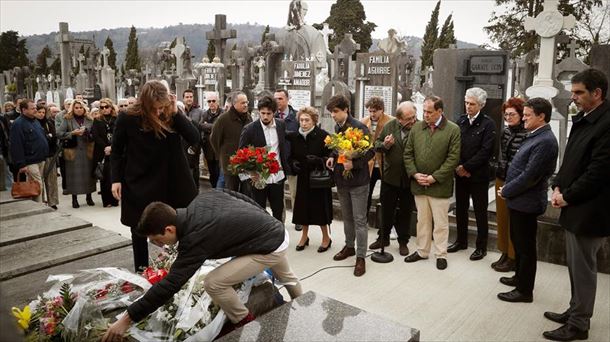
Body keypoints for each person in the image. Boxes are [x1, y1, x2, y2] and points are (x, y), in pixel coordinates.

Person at [102, 189, 303, 341]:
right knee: (287, 276)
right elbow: (239, 197)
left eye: (157, 240)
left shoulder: (194, 239)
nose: (158, 245)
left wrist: (127, 318)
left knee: (213, 283)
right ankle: (302, 304)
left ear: (169, 229)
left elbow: (171, 284)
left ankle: (245, 323)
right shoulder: (202, 198)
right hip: (273, 231)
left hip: (268, 246)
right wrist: (264, 221)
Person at [543, 68, 610, 341]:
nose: (573, 97)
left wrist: (567, 196)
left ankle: (579, 324)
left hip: (590, 210)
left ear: (597, 93)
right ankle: (574, 310)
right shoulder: (585, 118)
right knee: (575, 265)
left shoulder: (606, 124)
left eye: (579, 92)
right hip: (575, 204)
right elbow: (571, 159)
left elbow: (599, 171)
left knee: (583, 269)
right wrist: (558, 183)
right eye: (573, 91)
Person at [110, 80, 200, 272]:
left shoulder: (171, 114)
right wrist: (115, 179)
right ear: (145, 104)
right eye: (155, 108)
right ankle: (141, 269)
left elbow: (194, 137)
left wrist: (176, 113)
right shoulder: (127, 118)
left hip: (172, 180)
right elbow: (116, 151)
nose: (159, 112)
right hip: (140, 179)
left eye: (162, 107)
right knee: (139, 226)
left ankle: (180, 268)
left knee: (179, 224)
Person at [497, 97, 558, 303]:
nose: (523, 119)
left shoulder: (545, 141)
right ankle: (519, 278)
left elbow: (530, 176)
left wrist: (507, 190)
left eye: (527, 115)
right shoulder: (535, 135)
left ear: (541, 116)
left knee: (525, 248)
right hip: (518, 200)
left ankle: (524, 291)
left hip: (527, 201)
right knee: (519, 242)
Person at [403, 96, 460, 270]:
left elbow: (453, 158)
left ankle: (441, 254)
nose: (425, 115)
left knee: (441, 223)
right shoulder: (417, 128)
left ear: (440, 111)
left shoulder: (452, 130)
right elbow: (408, 153)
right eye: (424, 111)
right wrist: (414, 173)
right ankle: (422, 251)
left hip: (439, 186)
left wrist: (434, 177)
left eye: (429, 112)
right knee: (422, 220)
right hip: (419, 184)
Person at [325, 95, 374, 277]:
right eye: (331, 113)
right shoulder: (338, 126)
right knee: (347, 217)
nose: (333, 116)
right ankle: (349, 246)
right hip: (342, 180)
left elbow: (370, 152)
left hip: (358, 181)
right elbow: (336, 147)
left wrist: (354, 164)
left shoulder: (359, 127)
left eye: (336, 112)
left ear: (346, 109)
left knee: (360, 219)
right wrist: (331, 156)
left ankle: (361, 256)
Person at [449, 87, 497, 260]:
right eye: (466, 103)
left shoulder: (488, 124)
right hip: (460, 173)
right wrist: (458, 166)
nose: (468, 107)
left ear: (481, 105)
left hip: (478, 176)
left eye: (472, 104)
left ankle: (481, 246)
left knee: (479, 211)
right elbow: (454, 145)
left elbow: (486, 151)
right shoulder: (461, 121)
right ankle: (460, 241)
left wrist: (467, 168)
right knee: (460, 209)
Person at [371, 101, 417, 256]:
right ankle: (383, 238)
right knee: (386, 209)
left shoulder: (419, 127)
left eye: (414, 117)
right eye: (409, 118)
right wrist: (385, 145)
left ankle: (403, 241)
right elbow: (376, 144)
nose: (413, 121)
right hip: (390, 177)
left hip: (409, 178)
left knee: (406, 211)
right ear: (399, 119)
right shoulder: (390, 126)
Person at [287, 106, 333, 252]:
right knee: (302, 208)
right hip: (303, 177)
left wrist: (319, 160)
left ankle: (326, 237)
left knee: (320, 208)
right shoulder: (295, 137)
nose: (304, 123)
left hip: (318, 178)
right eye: (301, 120)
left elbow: (332, 155)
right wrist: (293, 164)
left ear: (314, 121)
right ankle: (304, 237)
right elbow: (291, 156)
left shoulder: (323, 135)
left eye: (307, 120)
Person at [238, 96, 289, 222]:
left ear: (274, 113)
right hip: (259, 178)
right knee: (259, 211)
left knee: (278, 210)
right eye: (263, 113)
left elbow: (283, 147)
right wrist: (251, 173)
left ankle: (279, 238)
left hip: (278, 176)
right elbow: (241, 154)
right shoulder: (250, 129)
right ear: (258, 112)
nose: (265, 116)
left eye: (269, 113)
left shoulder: (281, 125)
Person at [492, 97, 527, 272]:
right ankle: (504, 252)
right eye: (506, 115)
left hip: (516, 180)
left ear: (521, 114)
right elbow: (503, 155)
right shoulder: (505, 132)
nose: (508, 118)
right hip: (502, 177)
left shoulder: (527, 133)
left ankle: (513, 257)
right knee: (502, 219)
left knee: (513, 222)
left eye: (512, 114)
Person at [210, 91, 252, 193]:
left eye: (247, 102)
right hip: (230, 164)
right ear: (234, 104)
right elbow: (214, 139)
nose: (246, 105)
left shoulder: (248, 117)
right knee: (231, 192)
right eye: (243, 103)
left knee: (246, 192)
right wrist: (222, 155)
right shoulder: (223, 119)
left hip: (246, 164)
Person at [57, 99, 96, 208]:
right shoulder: (67, 119)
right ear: (73, 109)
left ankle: (89, 197)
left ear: (84, 109)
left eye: (81, 108)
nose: (79, 110)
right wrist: (72, 133)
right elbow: (59, 133)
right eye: (76, 108)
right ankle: (74, 199)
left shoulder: (90, 119)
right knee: (73, 175)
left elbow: (95, 134)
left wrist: (87, 132)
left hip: (87, 149)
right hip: (72, 151)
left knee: (88, 174)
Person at [9, 99, 49, 202]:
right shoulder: (18, 124)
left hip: (40, 158)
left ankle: (39, 204)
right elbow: (16, 145)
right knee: (38, 184)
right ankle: (38, 207)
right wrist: (21, 164)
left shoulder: (35, 121)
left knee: (37, 185)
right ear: (24, 110)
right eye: (33, 108)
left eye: (36, 107)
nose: (35, 110)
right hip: (30, 161)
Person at [361, 96, 393, 217]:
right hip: (369, 164)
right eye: (370, 111)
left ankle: (387, 226)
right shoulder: (364, 122)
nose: (372, 114)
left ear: (382, 110)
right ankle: (364, 220)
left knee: (387, 196)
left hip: (385, 163)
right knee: (366, 194)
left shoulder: (390, 121)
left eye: (375, 111)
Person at [274, 89, 300, 230]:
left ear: (287, 99)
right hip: (277, 161)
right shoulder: (272, 117)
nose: (277, 101)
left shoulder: (296, 117)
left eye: (280, 98)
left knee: (295, 192)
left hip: (292, 161)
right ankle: (280, 220)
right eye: (276, 99)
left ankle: (298, 219)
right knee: (278, 194)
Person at [92, 98, 119, 207]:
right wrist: (106, 147)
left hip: (115, 150)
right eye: (102, 107)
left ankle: (115, 199)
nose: (104, 109)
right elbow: (96, 136)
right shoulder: (97, 120)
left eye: (106, 107)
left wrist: (112, 147)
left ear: (111, 107)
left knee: (114, 176)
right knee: (105, 177)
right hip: (102, 151)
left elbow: (119, 135)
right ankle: (106, 201)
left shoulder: (116, 119)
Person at [35, 104, 59, 209]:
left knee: (51, 180)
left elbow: (54, 137)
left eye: (43, 112)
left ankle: (52, 202)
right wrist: (47, 137)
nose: (41, 114)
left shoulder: (49, 123)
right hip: (38, 156)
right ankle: (42, 201)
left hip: (50, 155)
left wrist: (49, 137)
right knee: (39, 179)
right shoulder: (33, 123)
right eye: (39, 112)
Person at [181, 89, 205, 187]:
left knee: (195, 168)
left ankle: (196, 188)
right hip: (182, 144)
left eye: (191, 97)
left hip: (194, 145)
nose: (189, 99)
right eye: (187, 97)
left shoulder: (199, 112)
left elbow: (201, 126)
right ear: (183, 98)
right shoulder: (180, 110)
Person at [199, 91, 223, 188]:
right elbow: (200, 125)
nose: (211, 103)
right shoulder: (205, 114)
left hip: (218, 149)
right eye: (209, 101)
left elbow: (220, 127)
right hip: (208, 149)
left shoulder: (223, 113)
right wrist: (213, 126)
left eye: (213, 101)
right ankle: (214, 189)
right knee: (212, 173)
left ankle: (219, 192)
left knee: (219, 173)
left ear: (218, 101)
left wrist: (207, 126)